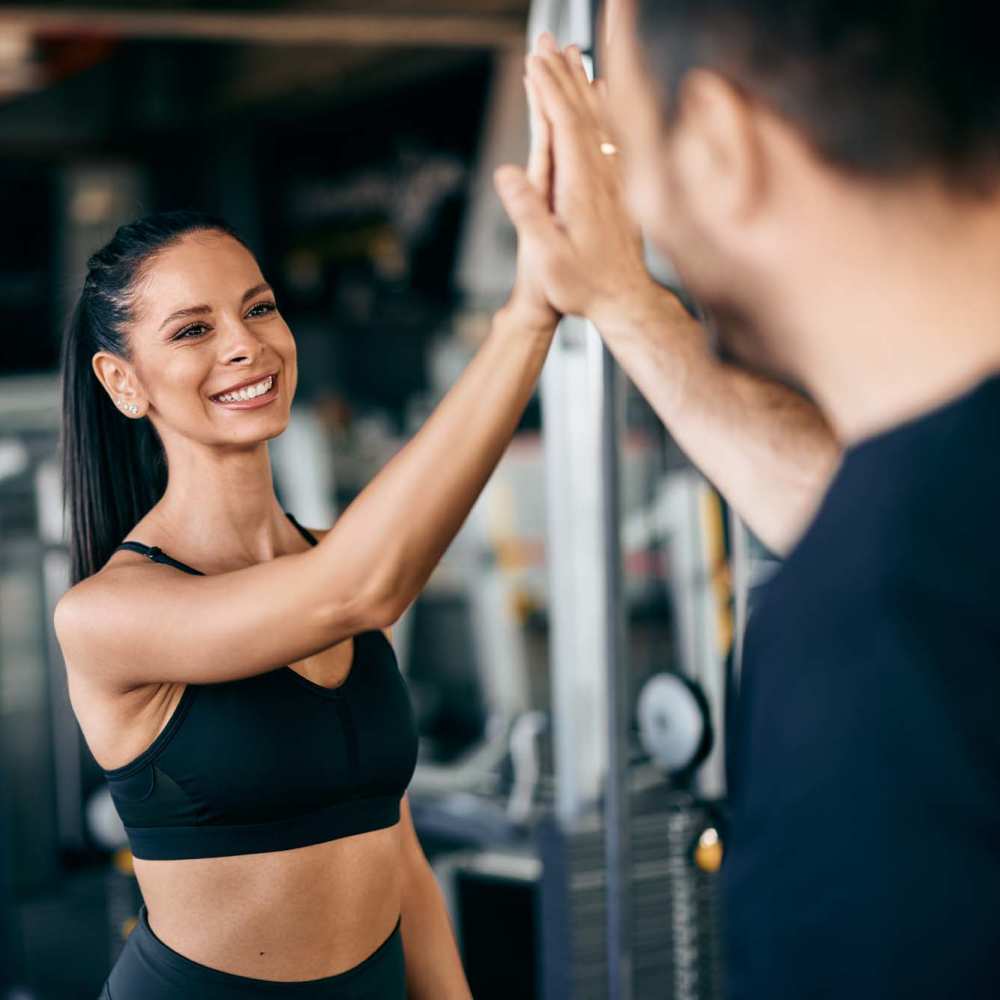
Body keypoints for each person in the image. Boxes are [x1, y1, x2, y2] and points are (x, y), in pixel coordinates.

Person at [499, 3, 1000, 997]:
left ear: (725, 147)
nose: (636, 192)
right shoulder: (931, 544)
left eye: (635, 149)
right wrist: (625, 302)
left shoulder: (873, 628)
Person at [53, 196, 560, 996]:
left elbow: (393, 843)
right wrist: (528, 316)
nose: (246, 345)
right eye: (193, 330)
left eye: (259, 309)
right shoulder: (108, 614)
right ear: (123, 381)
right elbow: (363, 588)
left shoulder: (330, 562)